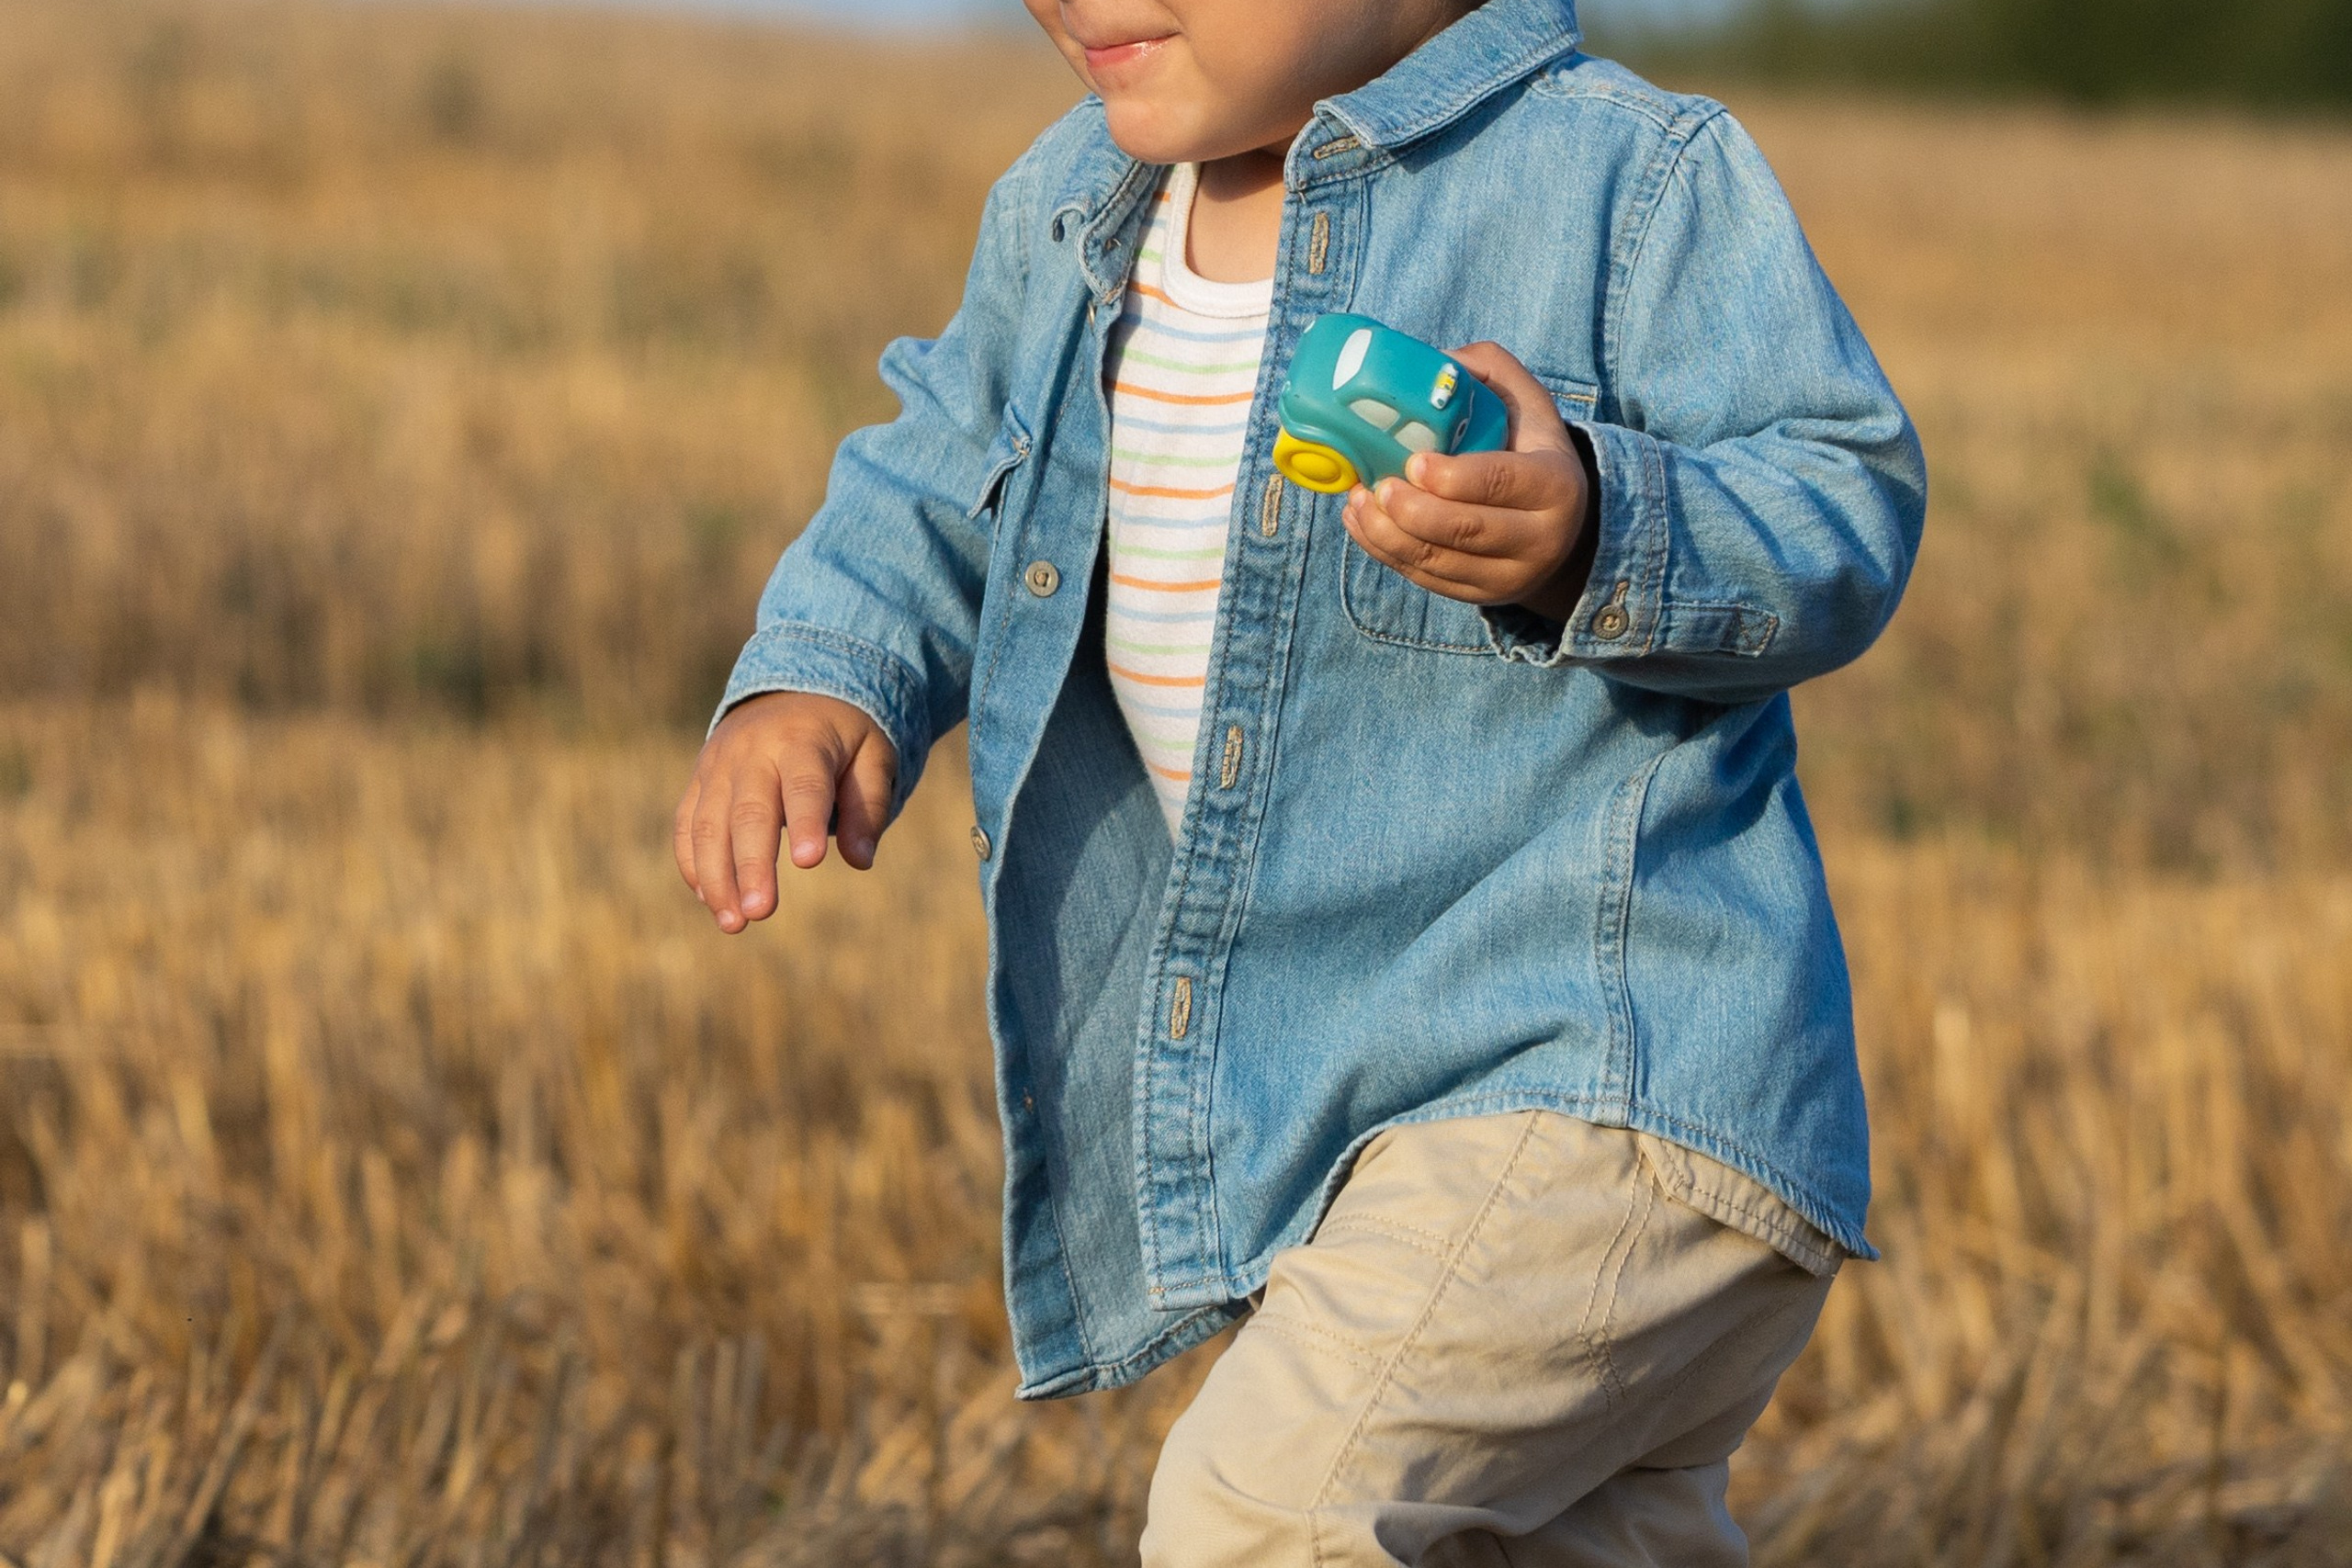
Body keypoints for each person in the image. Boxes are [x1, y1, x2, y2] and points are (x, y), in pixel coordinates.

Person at [675, 0, 1926, 1560]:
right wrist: (824, 666)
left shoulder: (1623, 182)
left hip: (1603, 1070)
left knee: (1265, 1516)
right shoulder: (1074, 208)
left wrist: (1598, 521)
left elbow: (1841, 494)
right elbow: (942, 471)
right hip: (1356, 1122)